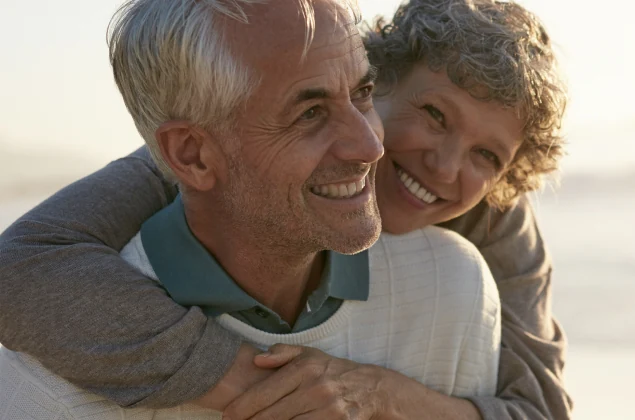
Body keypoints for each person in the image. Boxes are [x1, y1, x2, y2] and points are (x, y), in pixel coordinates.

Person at [0, 0, 571, 419]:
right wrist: (254, 382)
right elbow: (21, 266)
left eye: (487, 155)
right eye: (434, 115)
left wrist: (380, 394)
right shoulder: (192, 160)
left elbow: (541, 409)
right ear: (378, 77)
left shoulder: (486, 236)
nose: (446, 167)